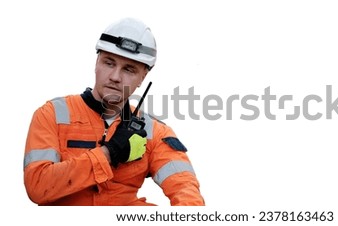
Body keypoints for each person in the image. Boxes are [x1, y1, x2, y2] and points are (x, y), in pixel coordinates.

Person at [23, 17, 205, 206]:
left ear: (143, 77)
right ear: (96, 63)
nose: (115, 77)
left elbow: (187, 193)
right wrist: (109, 153)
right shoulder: (52, 114)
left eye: (129, 69)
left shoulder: (154, 132)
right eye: (109, 63)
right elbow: (37, 186)